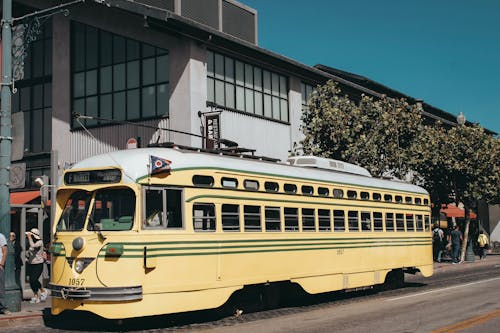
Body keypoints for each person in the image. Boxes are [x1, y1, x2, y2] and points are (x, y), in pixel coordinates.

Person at [25, 228, 48, 303]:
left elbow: (33, 246)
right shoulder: (30, 241)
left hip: (38, 264)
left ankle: (43, 290)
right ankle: (35, 296)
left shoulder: (39, 242)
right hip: (31, 263)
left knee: (34, 279)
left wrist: (29, 237)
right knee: (31, 281)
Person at [0, 232, 11, 314]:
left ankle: (3, 308)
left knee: (0, 288)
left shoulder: (1, 236)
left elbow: (5, 250)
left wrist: (1, 264)